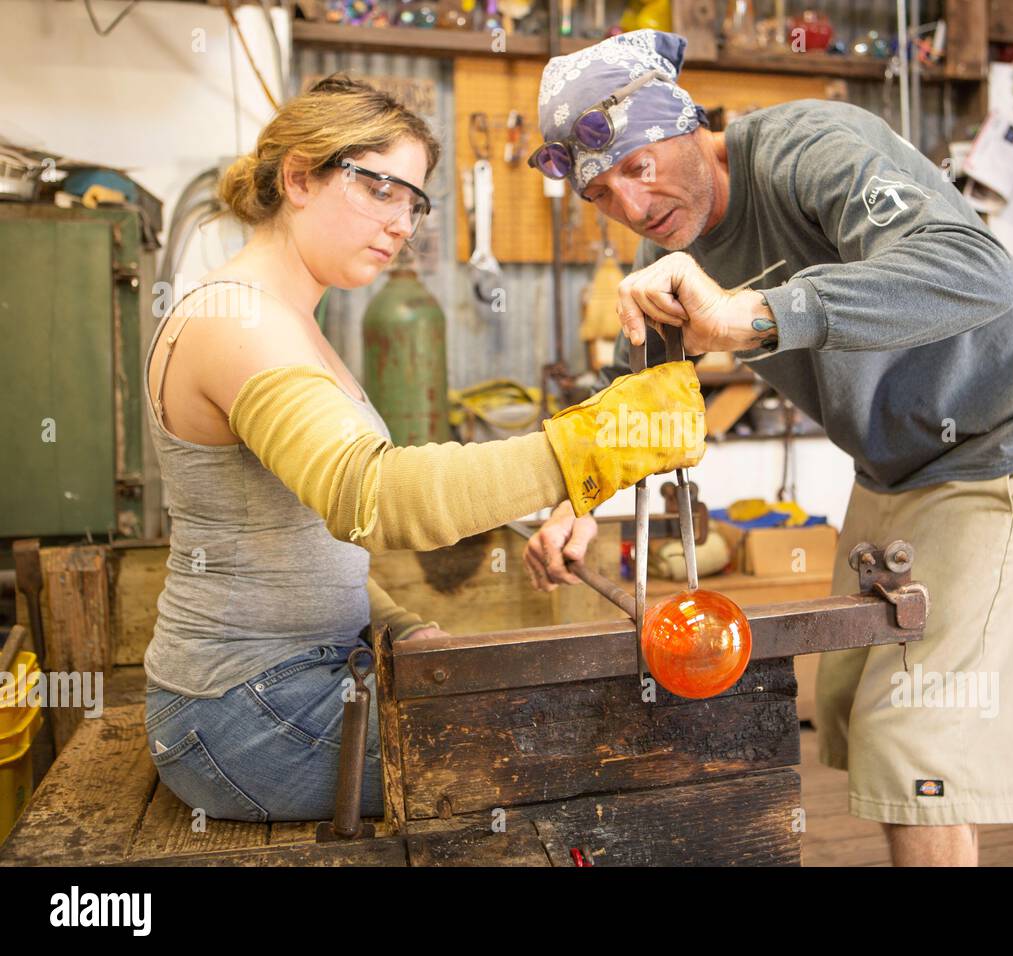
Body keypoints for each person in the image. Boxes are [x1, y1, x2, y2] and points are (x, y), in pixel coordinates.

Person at [524, 31, 1013, 866]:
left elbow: (974, 273)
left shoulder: (812, 146)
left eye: (638, 167)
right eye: (602, 194)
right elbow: (640, 397)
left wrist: (760, 315)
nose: (634, 207)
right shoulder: (666, 252)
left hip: (996, 434)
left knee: (918, 735)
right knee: (854, 707)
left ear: (687, 124)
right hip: (895, 460)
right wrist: (578, 501)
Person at [142, 74, 704, 822]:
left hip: (295, 682)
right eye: (381, 190)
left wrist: (398, 627)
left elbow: (307, 541)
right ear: (300, 176)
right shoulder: (236, 324)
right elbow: (370, 498)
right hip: (242, 716)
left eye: (416, 202)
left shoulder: (286, 320)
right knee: (586, 746)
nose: (403, 222)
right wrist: (598, 441)